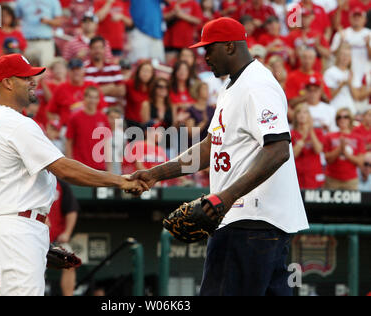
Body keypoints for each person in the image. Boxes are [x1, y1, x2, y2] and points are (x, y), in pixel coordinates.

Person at [129, 17, 309, 296]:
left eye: (209, 49)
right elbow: (208, 148)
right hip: (253, 221)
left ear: (229, 46)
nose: (205, 56)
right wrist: (155, 174)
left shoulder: (257, 84)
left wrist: (225, 198)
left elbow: (278, 149)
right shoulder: (232, 86)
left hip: (250, 220)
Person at [0, 54, 146, 296]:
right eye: (26, 77)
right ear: (8, 83)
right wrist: (119, 180)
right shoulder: (16, 123)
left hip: (3, 225)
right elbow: (64, 168)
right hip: (16, 229)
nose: (34, 82)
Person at [65, 86, 113, 172]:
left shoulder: (103, 118)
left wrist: (109, 168)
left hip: (100, 167)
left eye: (95, 98)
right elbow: (69, 142)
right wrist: (70, 166)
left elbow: (107, 144)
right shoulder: (75, 118)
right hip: (80, 167)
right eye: (90, 97)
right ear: (84, 98)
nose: (92, 101)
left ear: (99, 100)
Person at [47, 178, 80, 296]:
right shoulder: (30, 181)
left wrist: (67, 233)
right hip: (33, 238)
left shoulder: (60, 184)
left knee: (69, 261)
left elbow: (72, 210)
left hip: (55, 240)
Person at [47, 58, 104, 124]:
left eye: (78, 69)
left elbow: (102, 108)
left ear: (83, 70)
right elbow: (50, 111)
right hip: (67, 127)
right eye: (73, 69)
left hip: (90, 125)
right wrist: (57, 124)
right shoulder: (61, 88)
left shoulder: (92, 85)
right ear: (68, 71)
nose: (76, 72)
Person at [324, 107, 366, 190]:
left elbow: (361, 162)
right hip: (332, 179)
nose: (342, 119)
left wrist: (346, 153)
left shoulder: (358, 138)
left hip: (351, 180)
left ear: (350, 119)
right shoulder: (329, 136)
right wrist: (340, 148)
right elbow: (328, 159)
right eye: (339, 117)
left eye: (345, 117)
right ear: (336, 120)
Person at [15, 0, 63, 67]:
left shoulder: (53, 1)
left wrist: (47, 21)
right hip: (27, 42)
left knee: (46, 68)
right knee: (26, 69)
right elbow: (15, 19)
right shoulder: (21, 1)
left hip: (45, 42)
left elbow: (59, 21)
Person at [84, 36, 125, 108]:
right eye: (94, 48)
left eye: (100, 48)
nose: (97, 51)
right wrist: (110, 87)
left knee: (119, 117)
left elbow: (122, 91)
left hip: (115, 110)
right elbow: (87, 94)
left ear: (104, 49)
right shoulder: (84, 68)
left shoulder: (114, 67)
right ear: (90, 50)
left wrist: (98, 90)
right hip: (96, 111)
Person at [291, 103, 325, 189]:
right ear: (296, 116)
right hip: (298, 177)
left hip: (314, 177)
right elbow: (294, 154)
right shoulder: (292, 134)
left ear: (309, 116)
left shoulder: (318, 132)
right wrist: (304, 137)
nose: (302, 115)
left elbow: (318, 150)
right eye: (299, 112)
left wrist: (311, 131)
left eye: (305, 112)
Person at [323, 44, 360, 115]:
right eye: (343, 55)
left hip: (350, 110)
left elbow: (357, 97)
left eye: (348, 55)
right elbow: (328, 97)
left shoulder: (352, 73)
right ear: (338, 56)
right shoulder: (330, 72)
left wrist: (349, 83)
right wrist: (340, 85)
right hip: (334, 109)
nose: (345, 58)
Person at [124, 60, 155, 128]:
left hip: (149, 124)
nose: (145, 74)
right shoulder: (130, 84)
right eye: (143, 70)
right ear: (138, 72)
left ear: (152, 74)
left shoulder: (154, 88)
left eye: (148, 72)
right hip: (131, 123)